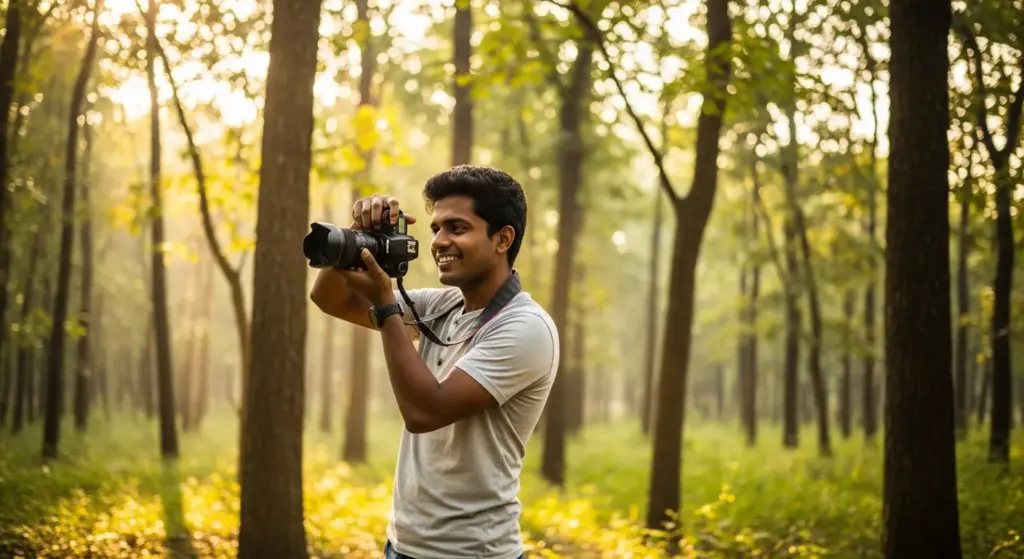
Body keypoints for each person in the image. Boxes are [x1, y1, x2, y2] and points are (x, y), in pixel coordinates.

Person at [309, 165, 560, 559]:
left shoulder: (526, 328)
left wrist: (386, 305)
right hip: (404, 545)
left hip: (472, 553)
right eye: (435, 229)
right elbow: (330, 299)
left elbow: (425, 411)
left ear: (502, 238)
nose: (440, 241)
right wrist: (358, 235)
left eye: (456, 228)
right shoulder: (443, 305)